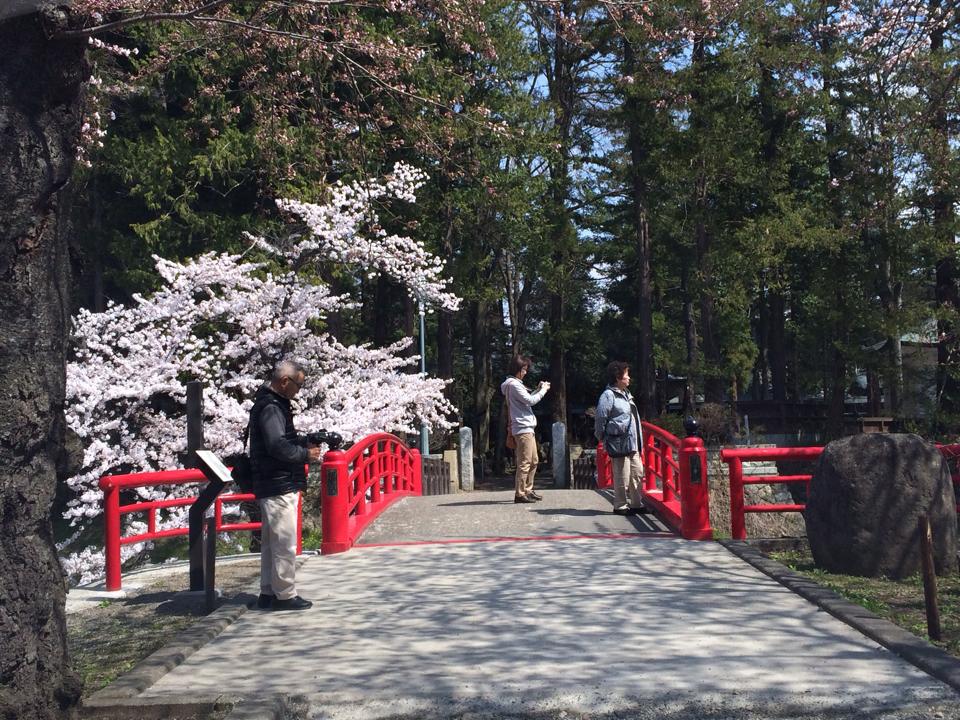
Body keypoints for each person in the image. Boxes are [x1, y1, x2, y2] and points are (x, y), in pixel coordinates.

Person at [249, 359, 322, 611]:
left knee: (272, 542)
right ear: (284, 381)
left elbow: (281, 439)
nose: (298, 391)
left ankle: (268, 592)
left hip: (271, 481)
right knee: (284, 542)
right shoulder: (271, 407)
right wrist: (305, 454)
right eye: (298, 385)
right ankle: (285, 595)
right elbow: (277, 446)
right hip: (278, 481)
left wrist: (304, 440)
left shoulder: (268, 404)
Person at [594, 361, 646, 515]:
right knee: (622, 474)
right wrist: (601, 437)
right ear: (618, 377)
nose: (629, 378)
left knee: (637, 472)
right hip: (619, 440)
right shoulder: (608, 395)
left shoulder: (627, 394)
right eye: (626, 374)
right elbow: (600, 417)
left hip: (632, 441)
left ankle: (637, 503)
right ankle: (620, 505)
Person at [501, 355, 550, 503]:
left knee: (534, 460)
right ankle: (520, 493)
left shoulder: (514, 384)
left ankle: (528, 489)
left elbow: (526, 400)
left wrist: (538, 389)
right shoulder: (514, 385)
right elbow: (530, 401)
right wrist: (544, 390)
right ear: (517, 369)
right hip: (522, 427)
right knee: (525, 462)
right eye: (523, 369)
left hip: (526, 426)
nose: (525, 372)